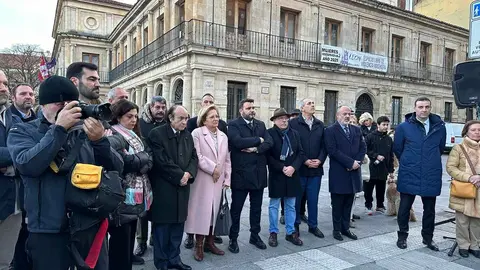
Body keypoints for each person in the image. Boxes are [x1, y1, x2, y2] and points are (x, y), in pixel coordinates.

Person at [8, 75, 123, 270]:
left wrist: (100, 141)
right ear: (43, 104)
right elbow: (28, 165)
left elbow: (116, 168)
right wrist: (59, 128)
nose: (68, 109)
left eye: (72, 103)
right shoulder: (23, 131)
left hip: (89, 225)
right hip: (48, 230)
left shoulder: (84, 129)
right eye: (60, 104)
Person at [147, 105, 198, 270]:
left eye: (186, 118)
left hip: (182, 189)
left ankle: (174, 260)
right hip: (164, 189)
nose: (185, 122)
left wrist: (188, 174)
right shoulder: (157, 134)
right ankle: (161, 263)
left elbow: (193, 158)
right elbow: (161, 161)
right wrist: (180, 176)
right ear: (170, 118)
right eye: (181, 118)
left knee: (178, 227)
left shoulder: (187, 136)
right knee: (162, 229)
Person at [394, 97, 446, 251]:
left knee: (429, 209)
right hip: (410, 172)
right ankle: (402, 237)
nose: (424, 110)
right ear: (415, 108)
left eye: (427, 107)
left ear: (430, 108)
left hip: (431, 174)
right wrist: (409, 161)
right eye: (421, 107)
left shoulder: (439, 127)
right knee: (404, 208)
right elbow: (398, 148)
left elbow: (440, 148)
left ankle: (428, 238)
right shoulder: (404, 127)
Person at [108, 100, 153, 270]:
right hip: (123, 196)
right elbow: (123, 163)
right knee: (120, 242)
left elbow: (149, 159)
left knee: (129, 238)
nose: (134, 120)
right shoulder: (114, 135)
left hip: (136, 195)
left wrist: (140, 159)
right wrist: (142, 159)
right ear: (119, 117)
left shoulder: (135, 135)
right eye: (129, 116)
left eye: (135, 116)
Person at [185, 105, 231, 261]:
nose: (216, 119)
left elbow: (227, 159)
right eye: (212, 117)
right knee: (201, 212)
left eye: (217, 116)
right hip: (203, 179)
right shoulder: (197, 133)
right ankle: (198, 244)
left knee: (214, 212)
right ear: (204, 119)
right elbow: (197, 156)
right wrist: (214, 169)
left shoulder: (223, 135)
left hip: (218, 181)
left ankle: (210, 243)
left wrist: (227, 178)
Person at [227, 98, 273, 253]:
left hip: (258, 174)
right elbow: (238, 142)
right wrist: (257, 140)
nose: (252, 110)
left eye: (253, 107)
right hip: (241, 175)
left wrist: (256, 149)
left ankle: (255, 235)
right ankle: (233, 238)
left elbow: (269, 142)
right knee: (236, 209)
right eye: (248, 108)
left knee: (256, 208)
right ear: (241, 110)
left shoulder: (260, 124)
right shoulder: (233, 125)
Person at [324, 106, 366, 241]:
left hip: (354, 172)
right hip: (339, 173)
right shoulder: (330, 131)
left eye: (349, 114)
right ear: (337, 115)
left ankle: (345, 228)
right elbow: (332, 151)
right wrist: (350, 163)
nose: (347, 116)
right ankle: (336, 230)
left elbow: (362, 147)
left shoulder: (356, 129)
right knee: (337, 204)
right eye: (344, 114)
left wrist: (357, 162)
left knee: (349, 202)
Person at [8, 83, 36, 270]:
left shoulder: (41, 119)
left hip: (34, 190)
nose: (28, 96)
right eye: (23, 93)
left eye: (31, 94)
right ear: (14, 97)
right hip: (12, 192)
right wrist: (19, 158)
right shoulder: (5, 119)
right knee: (16, 241)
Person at [135, 95, 168, 257]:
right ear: (151, 107)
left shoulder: (167, 123)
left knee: (158, 207)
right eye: (157, 107)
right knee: (142, 209)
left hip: (161, 174)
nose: (160, 111)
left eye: (163, 107)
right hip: (144, 172)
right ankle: (141, 241)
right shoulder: (141, 124)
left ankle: (155, 238)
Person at [267, 108, 304, 247]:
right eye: (281, 118)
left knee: (291, 205)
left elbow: (300, 153)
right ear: (274, 120)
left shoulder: (294, 134)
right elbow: (268, 156)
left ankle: (290, 232)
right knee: (274, 205)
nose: (284, 120)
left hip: (292, 174)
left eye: (286, 118)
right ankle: (273, 233)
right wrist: (281, 167)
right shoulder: (269, 133)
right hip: (277, 174)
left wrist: (293, 167)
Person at [289, 99, 326, 238]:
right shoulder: (293, 123)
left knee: (313, 199)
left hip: (316, 170)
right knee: (297, 200)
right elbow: (294, 145)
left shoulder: (319, 124)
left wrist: (320, 160)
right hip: (300, 169)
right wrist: (305, 160)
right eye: (309, 103)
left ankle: (313, 225)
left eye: (313, 103)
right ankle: (295, 225)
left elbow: (324, 146)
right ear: (302, 108)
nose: (312, 105)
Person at [446, 120, 480, 259]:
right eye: (473, 130)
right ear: (466, 131)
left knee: (477, 220)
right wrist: (469, 177)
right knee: (462, 220)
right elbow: (450, 168)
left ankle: (475, 245)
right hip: (464, 189)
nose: (477, 132)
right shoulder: (458, 148)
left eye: (479, 130)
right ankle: (463, 245)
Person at [0, 71, 22, 270]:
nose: (3, 88)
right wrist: (17, 155)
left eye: (5, 83)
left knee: (5, 262)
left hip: (13, 203)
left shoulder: (11, 117)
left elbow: (28, 149)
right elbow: (21, 151)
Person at [364, 116, 394, 215]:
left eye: (387, 125)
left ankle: (380, 205)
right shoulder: (370, 136)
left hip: (383, 168)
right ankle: (368, 205)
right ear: (378, 125)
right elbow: (365, 150)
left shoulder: (389, 139)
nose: (385, 127)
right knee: (368, 188)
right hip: (371, 167)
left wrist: (391, 170)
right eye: (383, 125)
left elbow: (390, 155)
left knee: (381, 188)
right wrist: (376, 156)